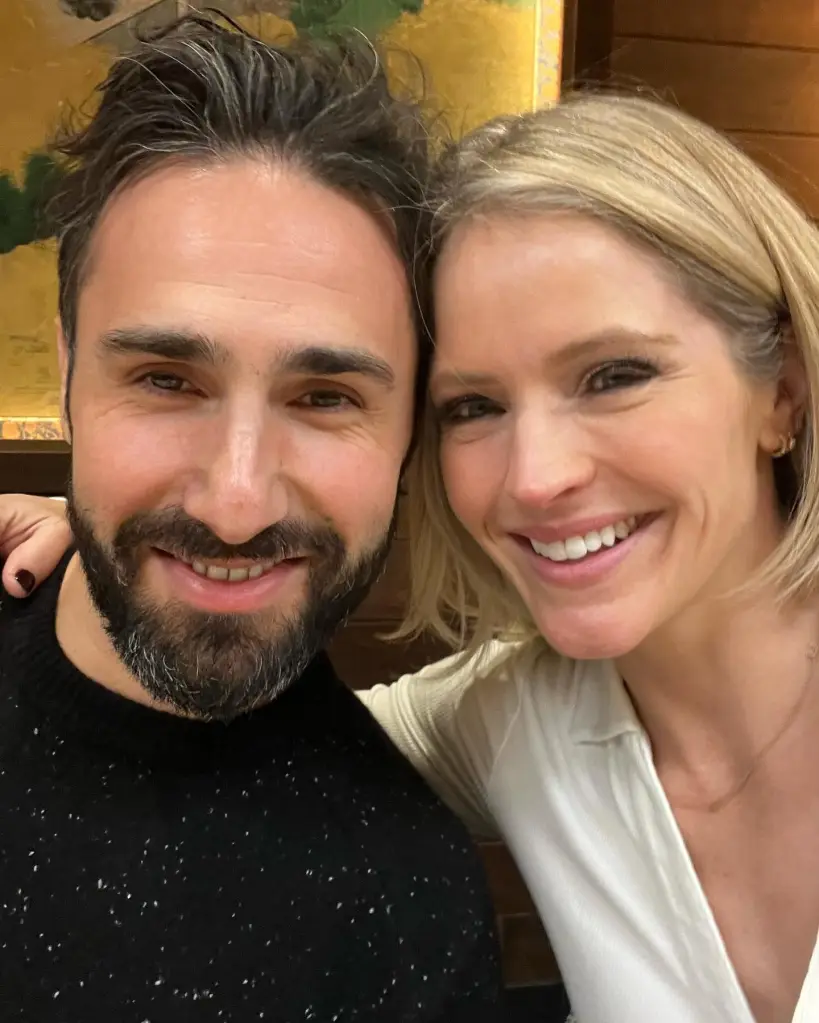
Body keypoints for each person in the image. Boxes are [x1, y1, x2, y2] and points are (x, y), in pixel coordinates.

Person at [11, 87, 819, 1023]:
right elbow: (219, 703)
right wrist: (110, 524)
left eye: (614, 376)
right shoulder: (511, 721)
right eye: (473, 406)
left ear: (783, 394)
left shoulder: (488, 759)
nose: (538, 476)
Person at [0, 14, 505, 1022]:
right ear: (65, 372)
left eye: (325, 398)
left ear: (411, 423)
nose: (236, 504)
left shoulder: (413, 913)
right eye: (165, 379)